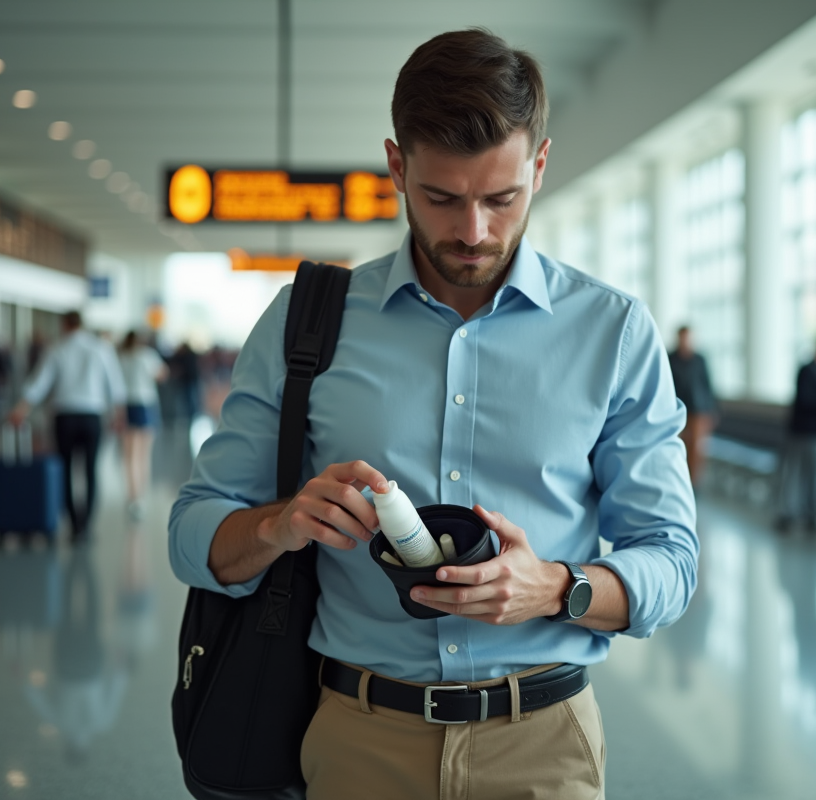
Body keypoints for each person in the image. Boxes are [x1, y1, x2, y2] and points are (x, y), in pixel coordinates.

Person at [169, 29, 698, 800]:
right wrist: (281, 523)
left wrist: (556, 588)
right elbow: (192, 533)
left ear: (539, 167)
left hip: (543, 744)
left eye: (502, 198)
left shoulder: (612, 332)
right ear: (397, 166)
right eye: (442, 198)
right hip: (358, 738)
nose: (473, 232)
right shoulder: (306, 322)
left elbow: (672, 560)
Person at [10, 311, 126, 542]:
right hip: (92, 415)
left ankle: (73, 523)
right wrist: (119, 415)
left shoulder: (56, 348)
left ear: (64, 324)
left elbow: (40, 383)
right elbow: (115, 385)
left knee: (65, 469)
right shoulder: (101, 348)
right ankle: (87, 523)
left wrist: (21, 408)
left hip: (65, 417)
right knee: (91, 470)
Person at [775, 337, 816, 535]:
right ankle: (789, 513)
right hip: (803, 432)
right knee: (795, 474)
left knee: (814, 475)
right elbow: (806, 399)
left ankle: (811, 514)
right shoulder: (807, 371)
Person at [118, 330, 167, 520]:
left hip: (126, 405)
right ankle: (141, 497)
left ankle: (132, 496)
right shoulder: (147, 355)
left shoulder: (122, 357)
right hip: (145, 404)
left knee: (129, 456)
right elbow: (162, 374)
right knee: (143, 455)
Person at [667, 325, 717, 488]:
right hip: (676, 411)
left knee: (696, 449)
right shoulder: (670, 359)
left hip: (697, 411)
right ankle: (677, 480)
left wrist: (712, 411)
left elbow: (708, 385)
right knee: (676, 446)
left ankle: (693, 484)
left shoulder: (699, 360)